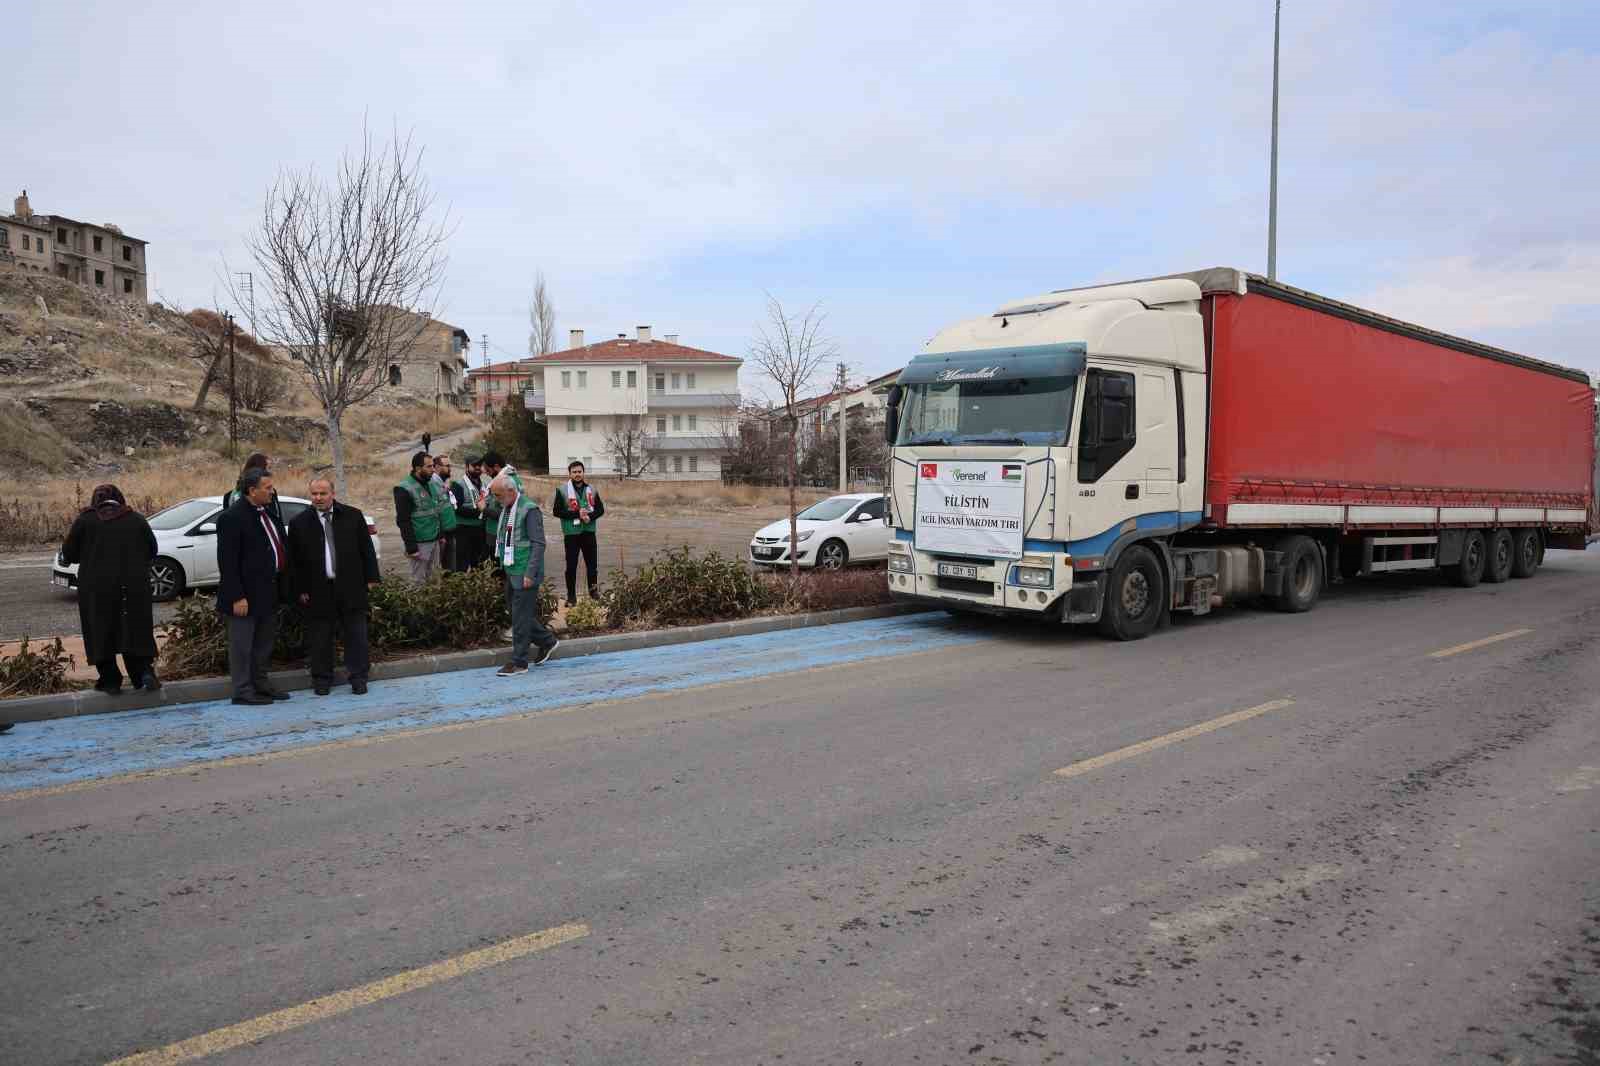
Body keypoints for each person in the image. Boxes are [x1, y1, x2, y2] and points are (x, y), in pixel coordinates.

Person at [60, 484, 161, 693]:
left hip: (96, 589)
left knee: (100, 630)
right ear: (120, 498)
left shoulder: (85, 521)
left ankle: (110, 680)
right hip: (133, 587)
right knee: (135, 629)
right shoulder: (136, 519)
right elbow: (152, 550)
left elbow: (69, 554)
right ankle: (144, 673)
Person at [287, 477, 379, 696]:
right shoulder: (300, 523)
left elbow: (366, 551)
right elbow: (294, 563)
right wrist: (300, 590)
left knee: (356, 636)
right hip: (318, 590)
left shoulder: (353, 516)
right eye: (314, 494)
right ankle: (322, 679)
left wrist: (372, 579)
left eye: (323, 493)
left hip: (351, 588)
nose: (318, 498)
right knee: (320, 639)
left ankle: (358, 678)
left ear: (333, 494)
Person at [217, 467, 290, 706]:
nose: (272, 492)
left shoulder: (268, 513)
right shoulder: (232, 518)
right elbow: (227, 562)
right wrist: (237, 596)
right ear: (252, 490)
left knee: (263, 645)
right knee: (242, 646)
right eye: (267, 488)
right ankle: (242, 690)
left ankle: (261, 684)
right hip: (244, 596)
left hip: (268, 592)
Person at [490, 474, 558, 675]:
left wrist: (530, 573)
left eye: (499, 495)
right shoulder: (509, 507)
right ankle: (547, 641)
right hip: (513, 569)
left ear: (511, 491)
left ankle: (519, 662)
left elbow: (538, 544)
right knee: (517, 612)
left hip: (526, 572)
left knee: (520, 618)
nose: (497, 499)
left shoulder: (529, 510)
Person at [553, 460, 605, 606]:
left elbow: (600, 510)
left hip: (589, 532)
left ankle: (593, 593)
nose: (577, 474)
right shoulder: (562, 490)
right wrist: (577, 514)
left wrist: (590, 517)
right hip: (571, 534)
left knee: (592, 565)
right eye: (574, 472)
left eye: (579, 471)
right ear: (569, 474)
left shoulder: (592, 490)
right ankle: (571, 597)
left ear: (583, 473)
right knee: (571, 566)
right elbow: (556, 511)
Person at [393, 451, 449, 582]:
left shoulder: (430, 483)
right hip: (420, 544)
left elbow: (435, 510)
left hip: (434, 540)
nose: (433, 470)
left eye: (433, 466)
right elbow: (403, 521)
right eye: (428, 467)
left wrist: (440, 535)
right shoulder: (404, 489)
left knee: (434, 579)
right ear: (418, 468)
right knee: (418, 582)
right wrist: (411, 547)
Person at [449, 454, 489, 572]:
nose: (477, 467)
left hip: (480, 530)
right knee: (462, 564)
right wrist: (479, 512)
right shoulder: (458, 485)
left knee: (479, 564)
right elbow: (457, 509)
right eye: (474, 465)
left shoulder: (485, 485)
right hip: (464, 531)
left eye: (479, 465)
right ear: (466, 467)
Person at [222, 452, 283, 524]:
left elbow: (278, 521)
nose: (270, 472)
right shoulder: (229, 497)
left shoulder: (229, 496)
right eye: (267, 468)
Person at [431, 453, 457, 572]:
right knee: (440, 569)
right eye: (446, 466)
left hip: (449, 531)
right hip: (442, 534)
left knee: (449, 568)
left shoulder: (441, 483)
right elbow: (435, 511)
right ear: (436, 467)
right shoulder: (433, 484)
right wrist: (440, 534)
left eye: (450, 465)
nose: (449, 469)